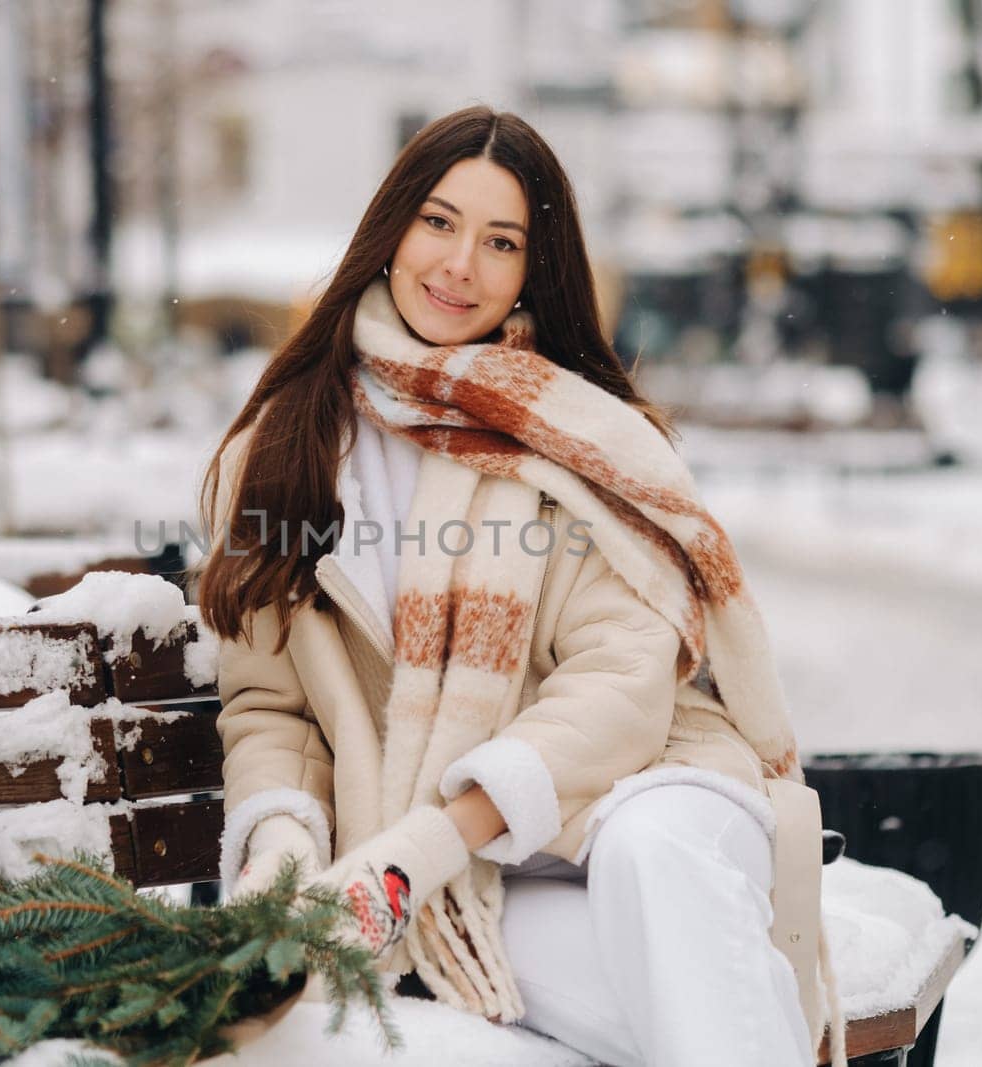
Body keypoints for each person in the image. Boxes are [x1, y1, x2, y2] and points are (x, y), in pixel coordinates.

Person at [194, 106, 842, 1067]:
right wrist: (285, 855)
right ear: (392, 231)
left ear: (533, 269)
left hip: (642, 792)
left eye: (502, 241)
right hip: (483, 890)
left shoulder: (578, 436)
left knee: (654, 859)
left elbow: (623, 683)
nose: (461, 266)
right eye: (439, 223)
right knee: (695, 1014)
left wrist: (424, 846)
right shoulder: (285, 451)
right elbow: (271, 709)